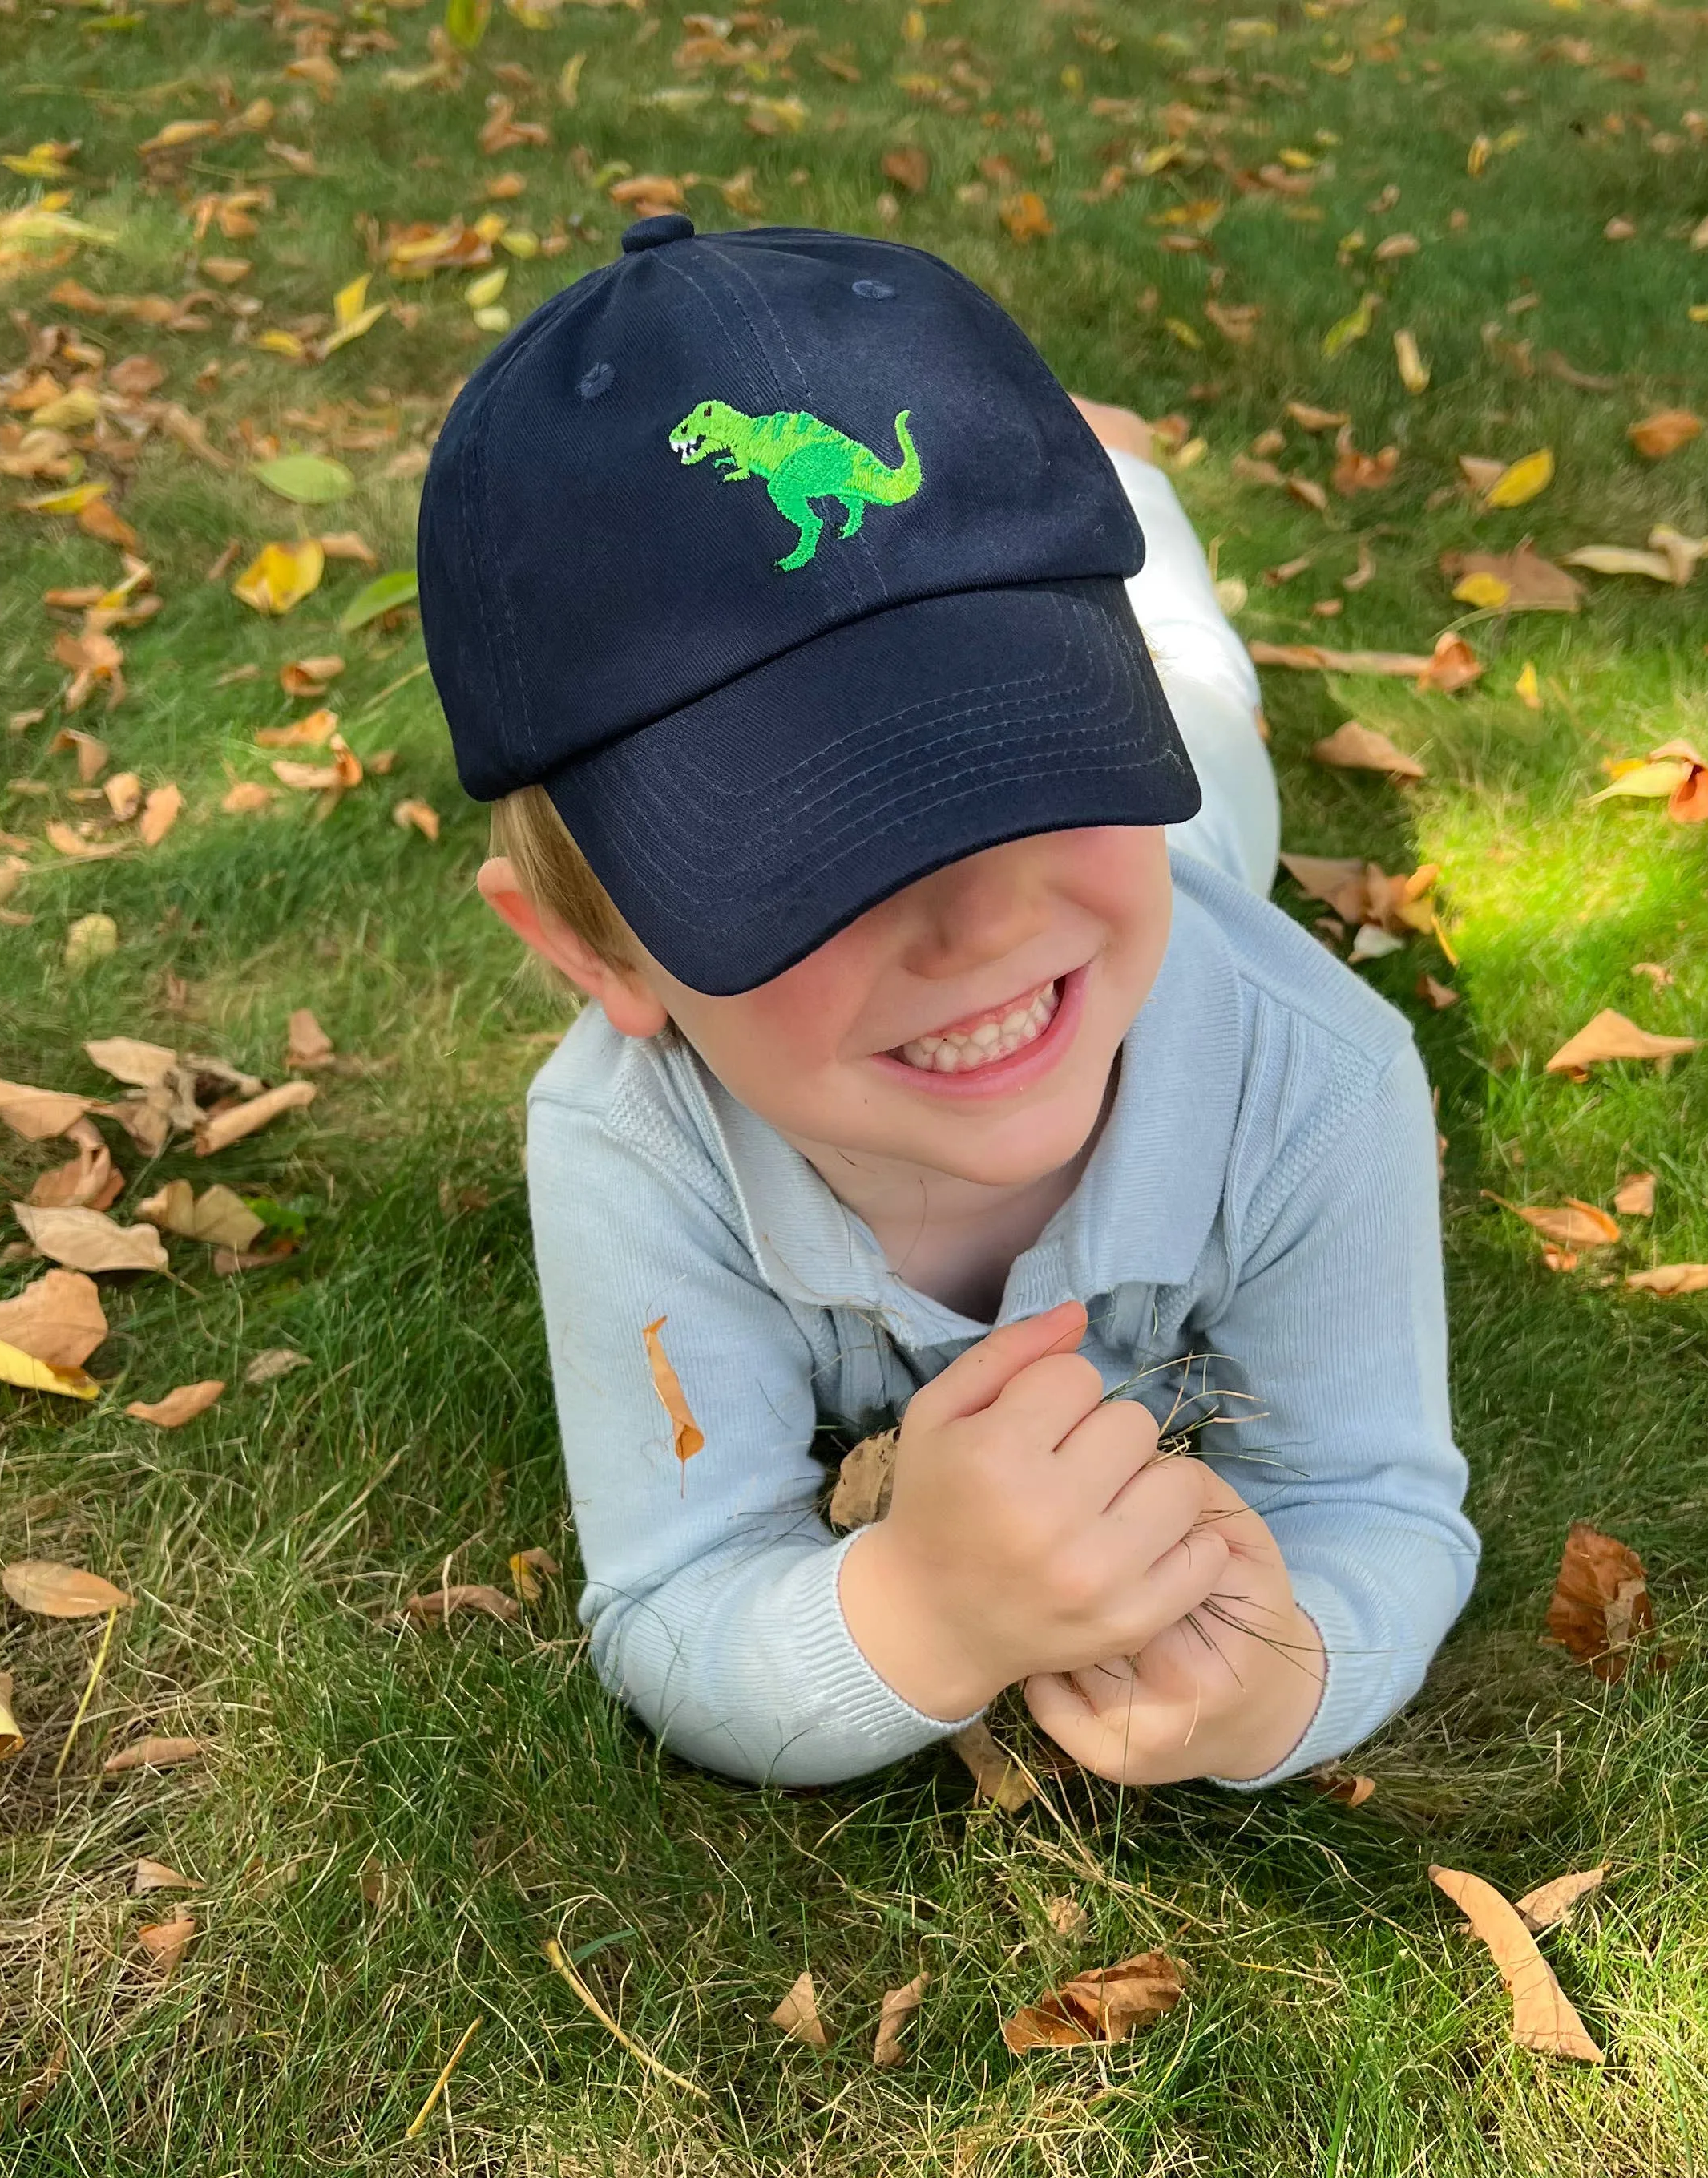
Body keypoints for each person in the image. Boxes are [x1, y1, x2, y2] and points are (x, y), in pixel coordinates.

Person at [417, 216, 1476, 1790]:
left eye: (1042, 750)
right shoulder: (628, 1151)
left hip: (1200, 862)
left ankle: (1129, 514)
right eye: (819, 853)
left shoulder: (1322, 1076)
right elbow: (672, 1594)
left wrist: (1280, 1683)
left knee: (1203, 695)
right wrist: (921, 1617)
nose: (986, 917)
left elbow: (1379, 1501)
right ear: (599, 955)